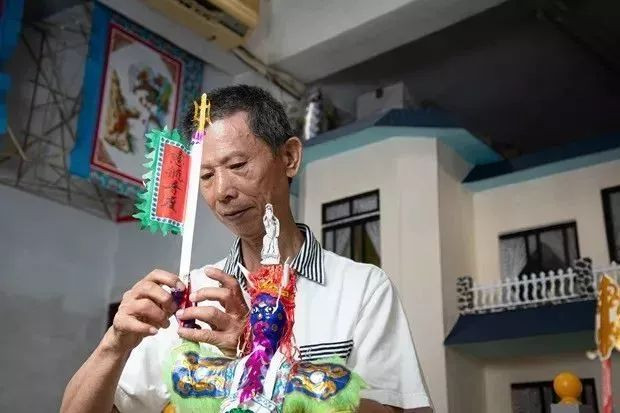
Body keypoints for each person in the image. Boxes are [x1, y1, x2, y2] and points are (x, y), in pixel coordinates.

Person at [60, 85, 432, 413]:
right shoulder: (189, 297)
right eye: (206, 175)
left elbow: (398, 410)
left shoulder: (361, 288)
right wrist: (115, 344)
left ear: (289, 158)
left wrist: (262, 360)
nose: (222, 191)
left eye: (237, 165)